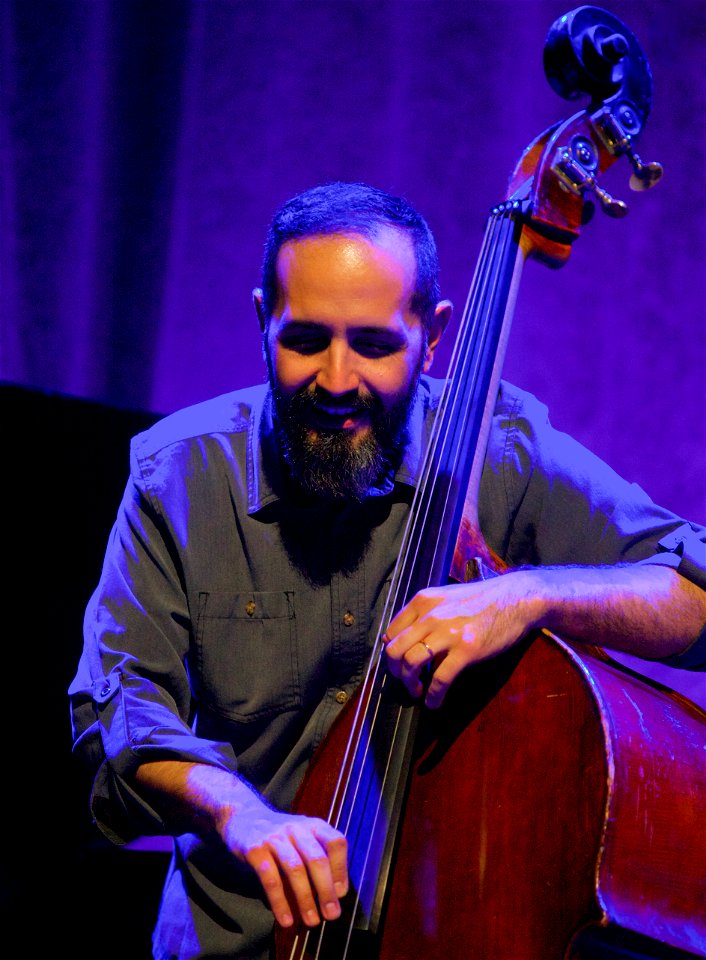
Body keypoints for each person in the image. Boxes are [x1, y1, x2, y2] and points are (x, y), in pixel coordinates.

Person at [69, 181, 706, 960]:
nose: (337, 382)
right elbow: (120, 714)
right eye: (305, 340)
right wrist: (240, 812)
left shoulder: (500, 457)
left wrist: (533, 593)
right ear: (261, 319)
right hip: (234, 943)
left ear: (432, 336)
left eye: (374, 346)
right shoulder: (178, 477)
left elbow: (698, 587)